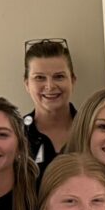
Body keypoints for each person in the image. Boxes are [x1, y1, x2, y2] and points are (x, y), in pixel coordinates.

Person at [22, 38, 78, 169]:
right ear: (27, 84)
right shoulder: (14, 135)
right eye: (39, 78)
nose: (50, 86)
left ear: (73, 81)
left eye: (59, 76)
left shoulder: (93, 130)